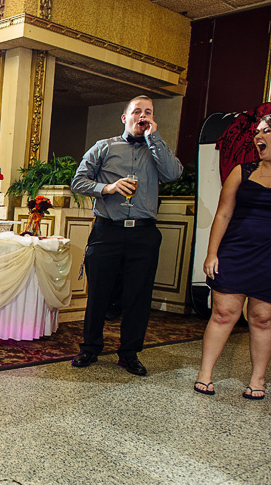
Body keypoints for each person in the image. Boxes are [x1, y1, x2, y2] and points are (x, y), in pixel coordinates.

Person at [70, 95, 183, 376]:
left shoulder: (157, 150)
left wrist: (154, 138)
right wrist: (108, 188)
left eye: (148, 112)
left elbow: (173, 174)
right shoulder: (104, 147)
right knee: (99, 294)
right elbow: (78, 181)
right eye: (137, 112)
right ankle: (90, 348)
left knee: (138, 296)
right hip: (107, 230)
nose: (142, 116)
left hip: (143, 235)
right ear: (125, 117)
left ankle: (130, 353)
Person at [193, 114, 271, 399]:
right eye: (257, 131)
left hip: (269, 257)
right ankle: (205, 374)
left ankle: (257, 380)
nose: (258, 136)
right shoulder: (243, 170)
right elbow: (223, 213)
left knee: (263, 318)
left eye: (266, 131)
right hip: (236, 250)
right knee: (224, 313)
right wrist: (212, 253)